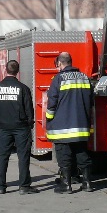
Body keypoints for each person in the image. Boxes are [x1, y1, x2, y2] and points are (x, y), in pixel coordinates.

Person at [45, 51, 94, 194]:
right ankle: (87, 183)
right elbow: (91, 100)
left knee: (64, 156)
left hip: (62, 127)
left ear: (60, 63)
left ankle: (66, 185)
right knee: (82, 154)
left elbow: (52, 102)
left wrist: (49, 118)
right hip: (81, 126)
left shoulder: (58, 79)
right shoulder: (84, 77)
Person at [0, 60, 37, 194]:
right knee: (23, 156)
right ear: (17, 71)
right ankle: (24, 186)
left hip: (4, 127)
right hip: (21, 127)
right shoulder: (23, 88)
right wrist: (29, 123)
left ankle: (1, 186)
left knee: (3, 156)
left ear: (6, 70)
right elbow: (29, 110)